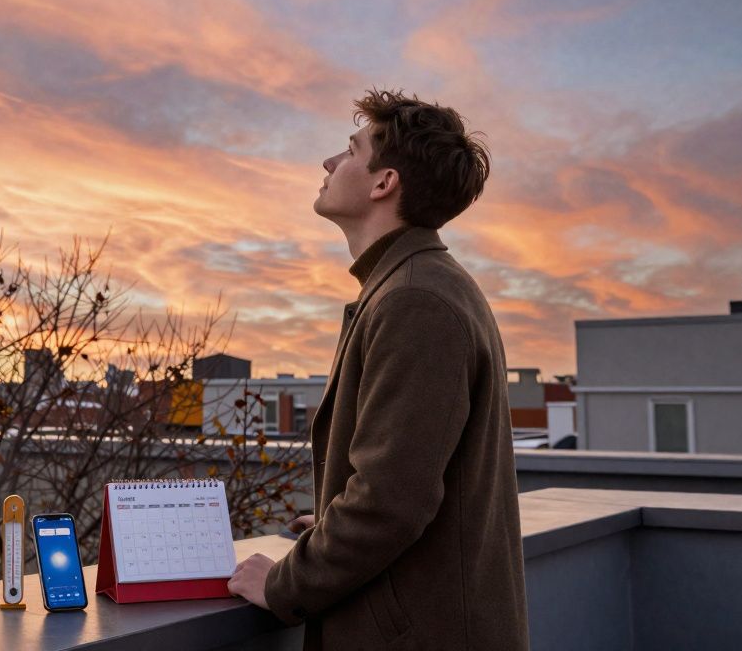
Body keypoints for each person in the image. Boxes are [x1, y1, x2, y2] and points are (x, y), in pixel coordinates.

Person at [226, 89, 529, 650]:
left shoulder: (416, 300)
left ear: (384, 183)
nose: (329, 163)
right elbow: (411, 474)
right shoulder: (418, 286)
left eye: (350, 150)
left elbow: (390, 501)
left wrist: (285, 582)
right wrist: (329, 533)